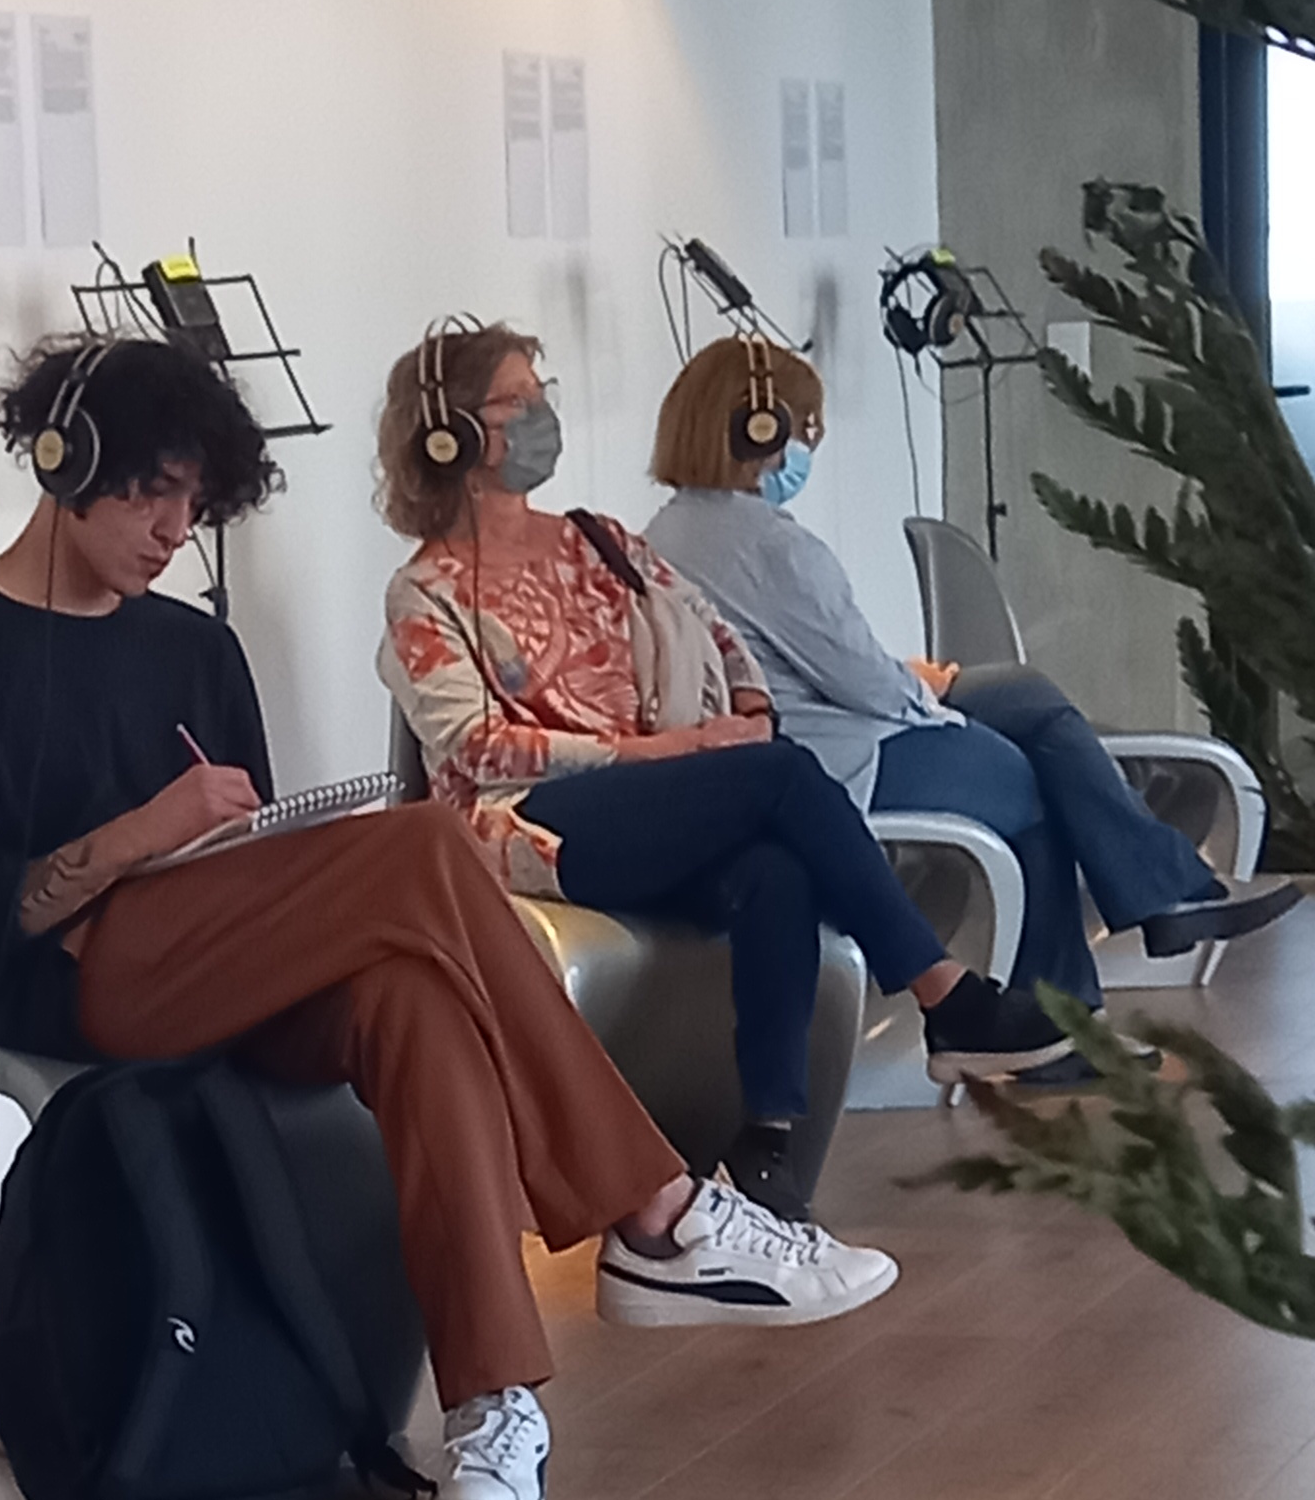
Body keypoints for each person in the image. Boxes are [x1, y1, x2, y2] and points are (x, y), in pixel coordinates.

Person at [0, 334, 898, 1500]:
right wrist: (143, 835)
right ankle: (659, 1211)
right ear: (65, 460)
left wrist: (233, 848)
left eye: (195, 505)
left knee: (416, 999)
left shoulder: (194, 647)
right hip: (70, 984)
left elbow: (250, 862)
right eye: (153, 495)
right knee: (423, 844)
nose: (174, 532)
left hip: (221, 962)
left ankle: (491, 1409)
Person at [377, 321, 1072, 1223]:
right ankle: (944, 995)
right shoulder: (425, 591)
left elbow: (718, 634)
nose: (545, 414)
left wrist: (746, 710)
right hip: (530, 819)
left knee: (775, 871)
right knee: (780, 777)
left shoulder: (597, 540)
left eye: (543, 394)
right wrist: (653, 752)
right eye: (521, 400)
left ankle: (766, 1143)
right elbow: (472, 744)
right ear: (451, 435)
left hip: (652, 798)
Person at [641, 333, 1296, 1074]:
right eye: (806, 429)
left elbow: (804, 660)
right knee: (1027, 763)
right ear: (761, 430)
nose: (809, 448)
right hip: (834, 756)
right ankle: (1136, 927)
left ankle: (1115, 959)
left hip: (798, 737)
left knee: (1023, 703)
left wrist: (915, 682)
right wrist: (929, 688)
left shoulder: (666, 532)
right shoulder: (770, 546)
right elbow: (863, 683)